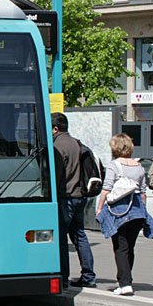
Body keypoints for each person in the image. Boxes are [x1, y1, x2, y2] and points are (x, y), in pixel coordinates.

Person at [96, 133, 153, 296]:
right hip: (137, 209)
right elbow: (143, 191)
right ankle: (125, 280)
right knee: (129, 247)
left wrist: (99, 207)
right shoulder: (138, 166)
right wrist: (143, 210)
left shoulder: (114, 165)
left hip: (119, 210)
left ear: (115, 147)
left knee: (120, 246)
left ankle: (125, 283)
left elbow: (106, 188)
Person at [51, 112, 96, 288]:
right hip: (80, 197)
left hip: (65, 197)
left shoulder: (57, 146)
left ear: (55, 128)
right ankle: (88, 276)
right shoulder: (77, 143)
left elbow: (56, 175)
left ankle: (63, 277)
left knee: (62, 238)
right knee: (80, 236)